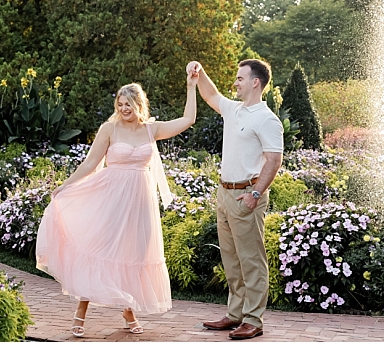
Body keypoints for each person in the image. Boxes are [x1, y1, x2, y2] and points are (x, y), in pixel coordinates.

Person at [35, 76, 198, 338]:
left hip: (141, 201)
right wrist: (65, 185)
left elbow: (188, 119)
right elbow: (89, 164)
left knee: (135, 254)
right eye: (120, 104)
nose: (124, 109)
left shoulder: (151, 130)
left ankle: (128, 311)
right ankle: (81, 310)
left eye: (129, 104)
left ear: (139, 104)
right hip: (112, 198)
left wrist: (191, 86)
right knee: (101, 249)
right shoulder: (108, 130)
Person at [187, 59, 284, 340]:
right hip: (224, 193)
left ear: (256, 82)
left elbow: (274, 161)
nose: (236, 83)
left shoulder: (267, 119)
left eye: (240, 78)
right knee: (231, 259)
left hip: (247, 195)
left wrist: (255, 194)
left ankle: (253, 319)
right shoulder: (234, 110)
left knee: (251, 260)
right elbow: (211, 94)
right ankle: (235, 314)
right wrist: (200, 71)